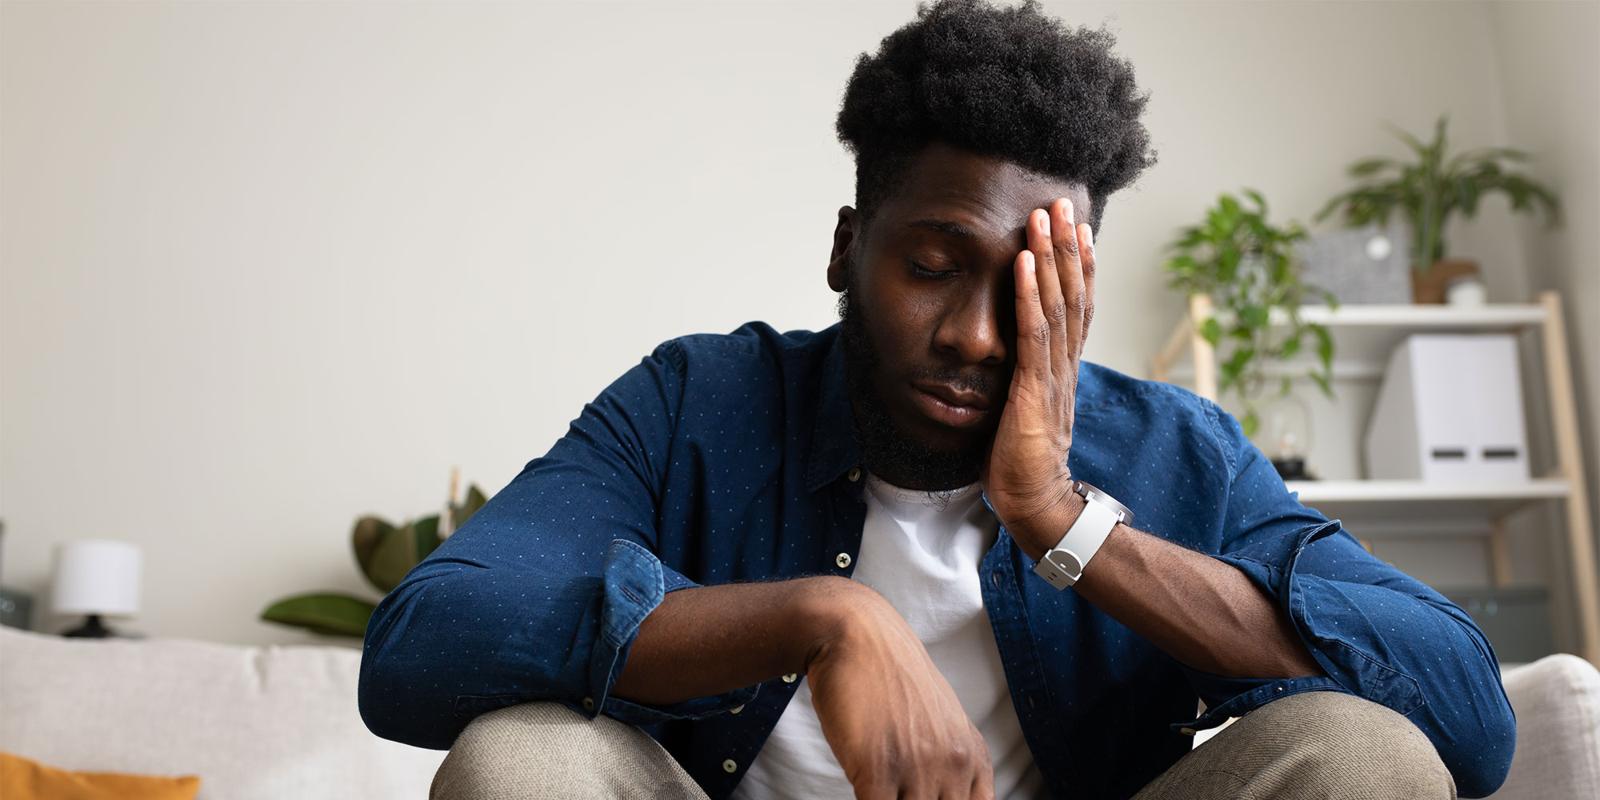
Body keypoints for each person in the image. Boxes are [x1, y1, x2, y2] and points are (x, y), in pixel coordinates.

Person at [359, 1, 1515, 797]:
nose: (972, 333)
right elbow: (420, 641)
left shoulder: (1172, 451)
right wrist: (824, 618)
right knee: (524, 757)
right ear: (845, 248)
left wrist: (1063, 520)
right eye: (930, 265)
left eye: (1026, 288)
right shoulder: (699, 402)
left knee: (1359, 751)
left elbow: (1465, 715)